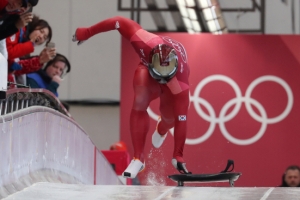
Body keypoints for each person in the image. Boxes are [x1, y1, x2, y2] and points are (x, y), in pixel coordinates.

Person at [72, 16, 191, 179]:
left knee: (170, 118)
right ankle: (138, 158)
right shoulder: (143, 41)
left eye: (164, 79)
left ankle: (162, 129)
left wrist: (178, 155)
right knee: (140, 99)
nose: (161, 82)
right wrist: (87, 32)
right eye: (159, 77)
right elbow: (118, 21)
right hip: (147, 70)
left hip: (173, 83)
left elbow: (181, 120)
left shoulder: (180, 86)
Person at [6, 14, 55, 86]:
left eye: (45, 37)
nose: (41, 37)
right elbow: (9, 55)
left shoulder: (26, 49)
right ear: (34, 26)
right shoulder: (19, 31)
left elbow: (17, 69)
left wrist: (40, 60)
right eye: (41, 31)